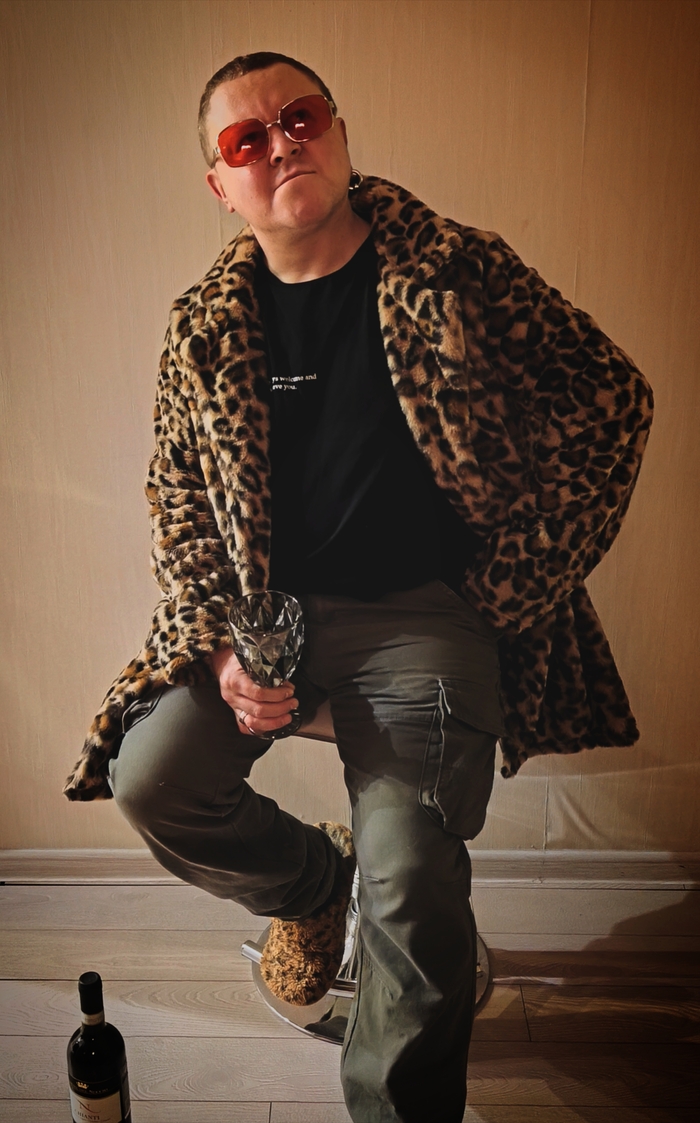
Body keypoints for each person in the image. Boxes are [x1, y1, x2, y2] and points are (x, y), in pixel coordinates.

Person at [64, 51, 653, 1123]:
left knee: (413, 880)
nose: (280, 144)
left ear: (336, 130)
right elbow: (176, 497)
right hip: (266, 623)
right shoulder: (203, 325)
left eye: (299, 117)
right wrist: (221, 646)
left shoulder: (456, 271)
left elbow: (612, 399)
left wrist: (508, 586)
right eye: (246, 138)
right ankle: (312, 887)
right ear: (221, 182)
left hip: (425, 616)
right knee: (151, 778)